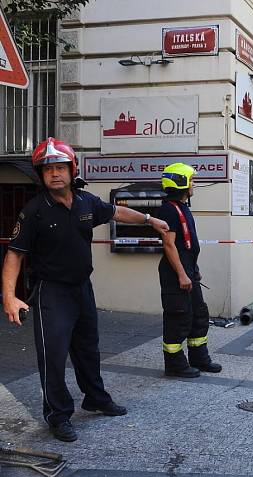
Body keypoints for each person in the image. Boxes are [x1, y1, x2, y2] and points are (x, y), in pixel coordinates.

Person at [1, 137, 170, 442]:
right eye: (48, 168)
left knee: (88, 349)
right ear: (41, 174)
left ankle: (95, 398)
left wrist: (149, 218)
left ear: (71, 169)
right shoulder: (35, 210)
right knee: (53, 355)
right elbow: (14, 253)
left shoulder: (85, 201)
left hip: (82, 288)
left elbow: (116, 212)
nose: (54, 173)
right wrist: (10, 297)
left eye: (60, 167)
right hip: (51, 292)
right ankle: (58, 415)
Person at [157, 163, 222, 377]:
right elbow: (169, 245)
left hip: (189, 271)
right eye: (191, 180)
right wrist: (182, 274)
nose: (194, 184)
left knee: (198, 315)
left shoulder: (182, 207)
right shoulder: (168, 209)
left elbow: (188, 246)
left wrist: (193, 269)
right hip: (176, 274)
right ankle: (175, 364)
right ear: (181, 183)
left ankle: (199, 358)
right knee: (178, 317)